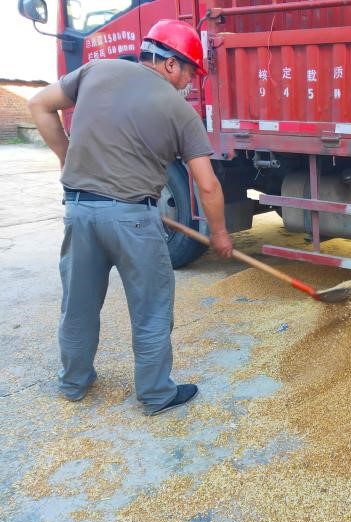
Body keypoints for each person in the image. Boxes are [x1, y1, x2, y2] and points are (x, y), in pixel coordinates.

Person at [28, 19, 233, 416]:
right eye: (190, 70)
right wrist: (221, 233)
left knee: (79, 304)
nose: (190, 81)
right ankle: (156, 394)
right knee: (152, 308)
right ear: (171, 64)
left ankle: (73, 383)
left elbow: (39, 104)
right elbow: (207, 186)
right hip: (134, 221)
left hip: (80, 212)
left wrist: (67, 159)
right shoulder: (179, 111)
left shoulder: (96, 70)